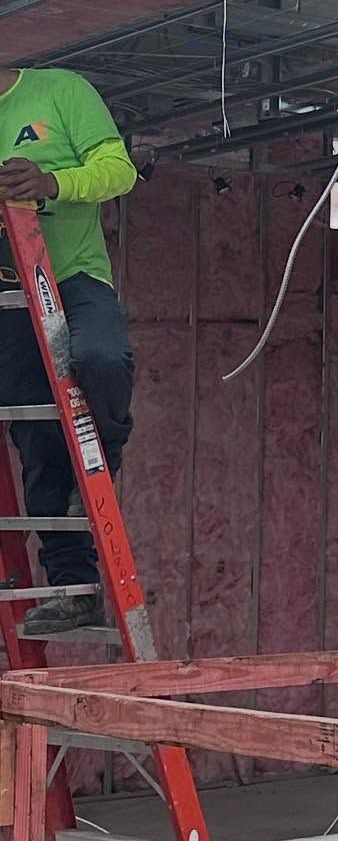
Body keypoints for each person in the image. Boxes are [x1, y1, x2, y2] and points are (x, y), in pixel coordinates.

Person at [0, 67, 137, 634]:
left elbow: (120, 171)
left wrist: (52, 182)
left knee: (101, 358)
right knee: (38, 443)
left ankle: (109, 449)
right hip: (10, 293)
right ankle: (72, 587)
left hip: (75, 278)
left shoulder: (59, 91)